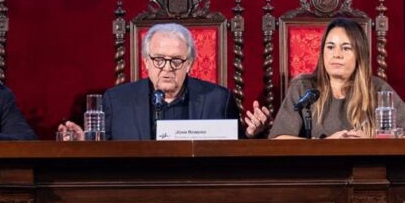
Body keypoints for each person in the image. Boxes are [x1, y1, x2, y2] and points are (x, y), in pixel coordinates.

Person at [58, 22, 270, 140]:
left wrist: (252, 134)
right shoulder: (117, 100)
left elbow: (235, 153)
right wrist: (83, 143)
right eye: (159, 59)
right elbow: (102, 152)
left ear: (189, 64)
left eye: (176, 60)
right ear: (146, 62)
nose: (167, 68)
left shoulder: (218, 99)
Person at [269, 17, 405, 139]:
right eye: (330, 47)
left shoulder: (377, 88)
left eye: (346, 48)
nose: (336, 54)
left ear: (359, 55)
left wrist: (371, 140)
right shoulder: (304, 89)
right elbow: (279, 139)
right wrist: (324, 145)